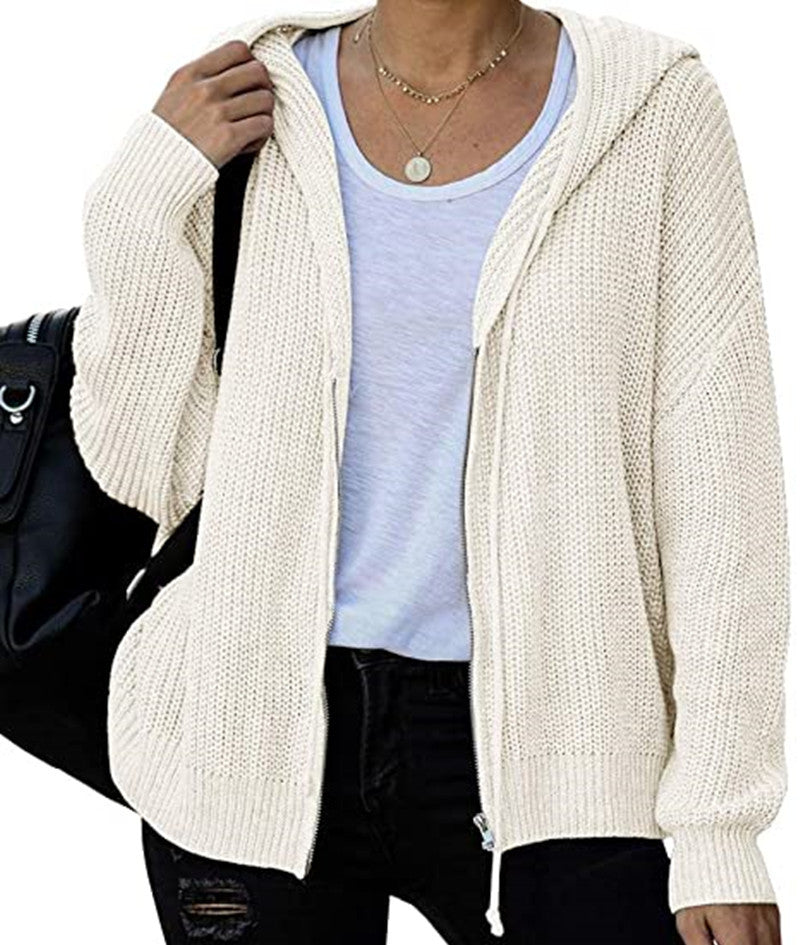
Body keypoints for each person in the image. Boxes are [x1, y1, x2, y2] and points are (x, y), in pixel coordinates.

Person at [70, 1, 789, 943]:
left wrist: (720, 826)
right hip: (250, 729)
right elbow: (139, 464)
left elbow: (724, 493)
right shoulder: (255, 99)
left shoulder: (652, 107)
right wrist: (142, 194)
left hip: (570, 744)